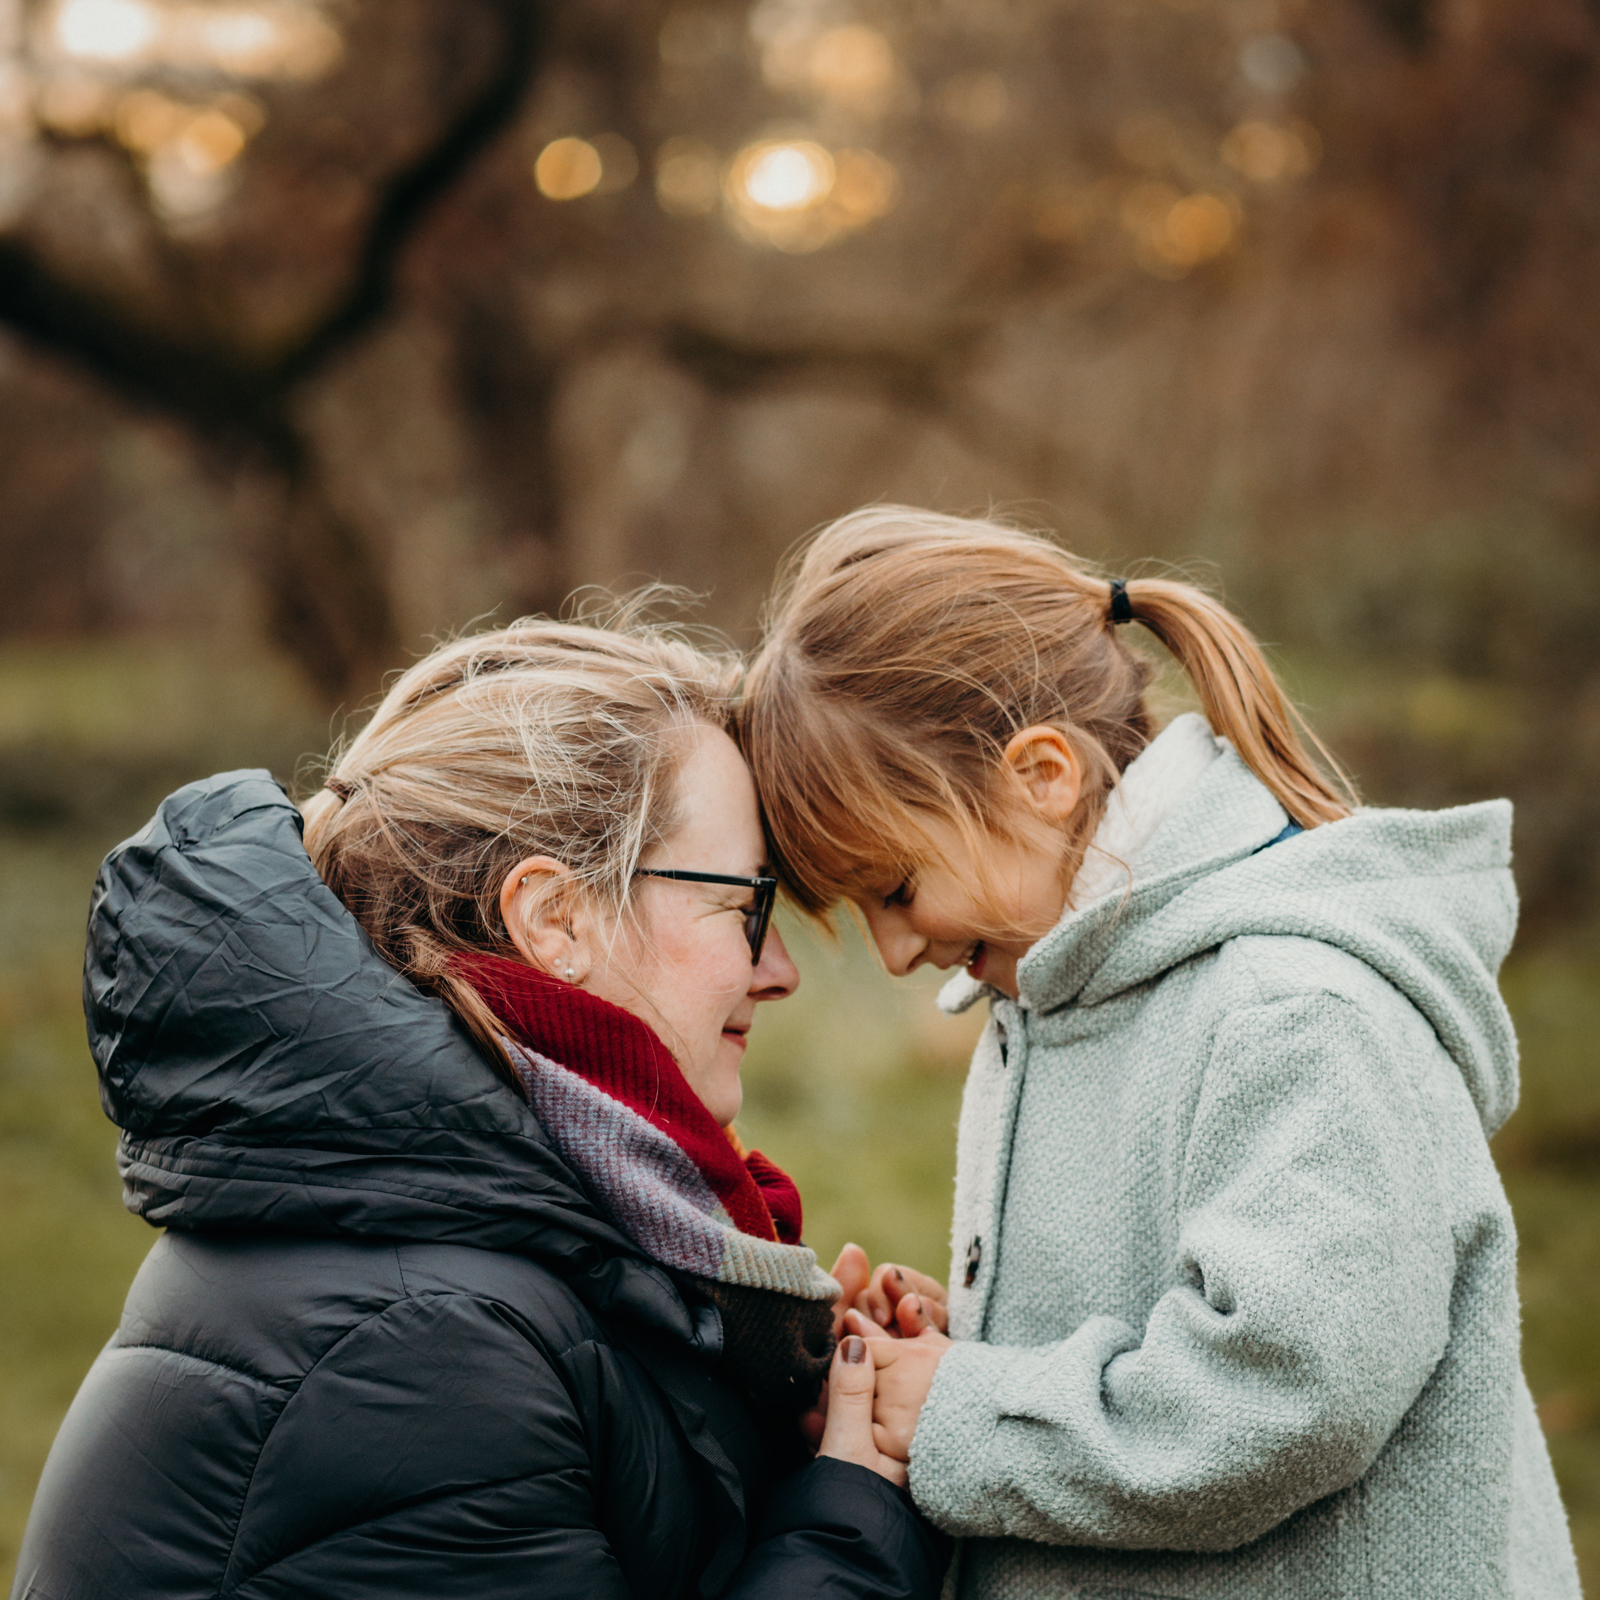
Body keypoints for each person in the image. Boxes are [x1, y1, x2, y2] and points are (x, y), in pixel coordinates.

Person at [740, 507, 1582, 1599]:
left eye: (896, 888)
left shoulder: (1294, 1007)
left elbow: (1285, 1389)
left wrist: (961, 1406)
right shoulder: (1059, 996)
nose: (896, 950)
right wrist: (976, 1343)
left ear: (1042, 775)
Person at [12, 618, 947, 1600]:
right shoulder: (425, 1349)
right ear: (554, 919)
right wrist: (857, 1505)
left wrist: (802, 1430)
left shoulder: (494, 1240)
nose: (779, 970)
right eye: (744, 906)